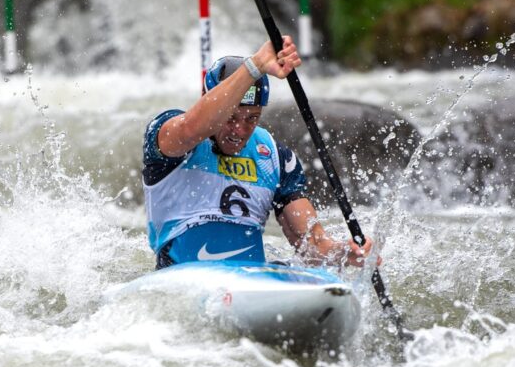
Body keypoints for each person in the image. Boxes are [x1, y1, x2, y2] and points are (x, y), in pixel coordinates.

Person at [142, 36, 373, 269]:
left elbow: (311, 246)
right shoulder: (169, 133)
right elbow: (192, 127)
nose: (240, 130)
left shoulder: (274, 156)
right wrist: (255, 66)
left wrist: (343, 252)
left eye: (252, 118)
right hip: (182, 278)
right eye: (231, 117)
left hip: (252, 282)